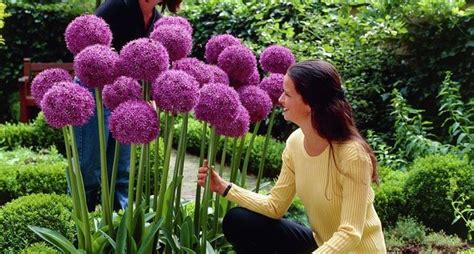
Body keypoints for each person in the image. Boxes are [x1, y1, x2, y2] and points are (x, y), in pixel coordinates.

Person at [197, 59, 387, 253]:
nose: (280, 99)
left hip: (358, 250)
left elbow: (350, 232)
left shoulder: (353, 155)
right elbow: (275, 206)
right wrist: (223, 187)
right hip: (322, 245)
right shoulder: (295, 142)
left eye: (287, 94)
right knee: (239, 221)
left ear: (310, 103)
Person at [75, 0, 182, 212]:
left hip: (128, 95)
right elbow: (86, 46)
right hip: (94, 90)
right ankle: (79, 226)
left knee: (121, 171)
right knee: (89, 167)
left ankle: (117, 225)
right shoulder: (116, 7)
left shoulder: (159, 24)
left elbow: (155, 67)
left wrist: (153, 96)